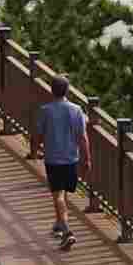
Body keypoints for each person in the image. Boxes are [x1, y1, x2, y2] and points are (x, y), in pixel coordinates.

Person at [36, 75, 88, 250]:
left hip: (53, 159)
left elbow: (38, 134)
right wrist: (87, 158)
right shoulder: (76, 110)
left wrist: (34, 150)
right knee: (62, 193)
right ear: (67, 90)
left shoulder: (46, 110)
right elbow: (83, 137)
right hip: (72, 158)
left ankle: (67, 232)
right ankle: (59, 224)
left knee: (58, 195)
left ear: (52, 90)